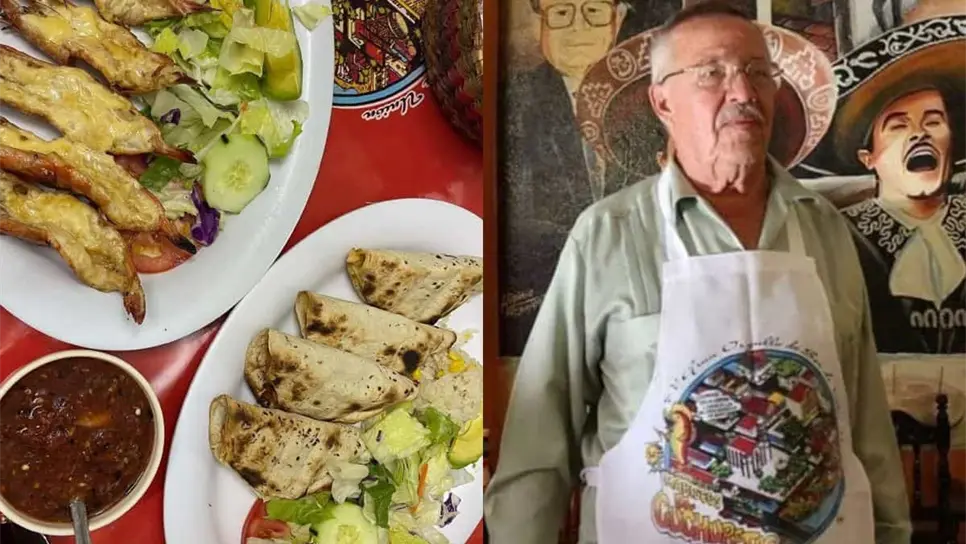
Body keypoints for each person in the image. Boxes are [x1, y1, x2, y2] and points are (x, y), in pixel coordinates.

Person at [485, 2, 912, 544]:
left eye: (758, 72)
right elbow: (537, 444)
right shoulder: (608, 234)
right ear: (662, 100)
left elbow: (866, 428)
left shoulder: (825, 230)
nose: (742, 92)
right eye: (712, 72)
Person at [500, 0, 677, 356]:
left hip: (644, 323)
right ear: (541, 24)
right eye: (561, 13)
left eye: (593, 12)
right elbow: (518, 224)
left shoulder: (659, 104)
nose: (577, 28)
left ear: (619, 18)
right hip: (546, 317)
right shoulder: (510, 102)